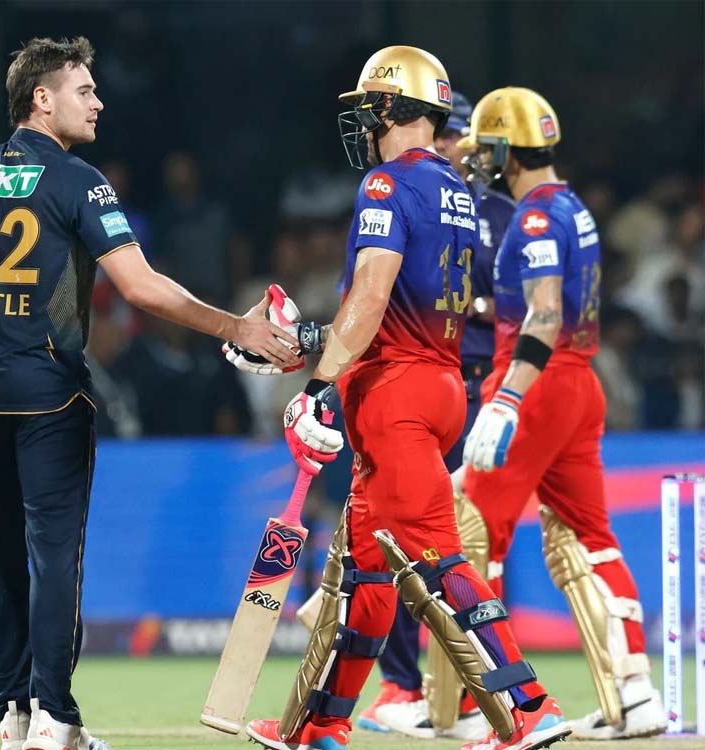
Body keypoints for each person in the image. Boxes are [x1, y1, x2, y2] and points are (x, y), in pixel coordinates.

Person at [0, 36, 298, 750]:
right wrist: (236, 326)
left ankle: (13, 716)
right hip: (50, 395)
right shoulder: (79, 181)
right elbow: (140, 288)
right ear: (41, 99)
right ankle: (56, 717)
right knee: (54, 556)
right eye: (84, 90)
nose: (99, 102)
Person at [243, 47, 569, 750]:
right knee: (364, 574)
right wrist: (311, 341)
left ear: (390, 106)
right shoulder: (455, 186)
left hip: (397, 396)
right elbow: (398, 308)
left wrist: (318, 386)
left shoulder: (388, 182)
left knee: (437, 562)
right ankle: (322, 724)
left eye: (369, 107)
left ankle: (530, 708)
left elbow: (370, 297)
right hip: (438, 383)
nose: (363, 122)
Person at [458, 87, 666, 740]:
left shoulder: (535, 217)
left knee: (473, 537)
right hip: (579, 385)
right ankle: (636, 695)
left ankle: (511, 706)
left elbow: (544, 315)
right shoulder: (572, 206)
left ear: (507, 150)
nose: (481, 159)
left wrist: (508, 398)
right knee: (593, 539)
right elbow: (545, 307)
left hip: (537, 384)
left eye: (488, 148)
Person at [358, 91, 516, 740]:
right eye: (450, 136)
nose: (455, 148)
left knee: (456, 544)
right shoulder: (429, 196)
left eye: (462, 138)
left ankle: (489, 700)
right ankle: (402, 686)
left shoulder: (491, 210)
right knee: (401, 542)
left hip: (468, 389)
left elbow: (524, 308)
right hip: (435, 385)